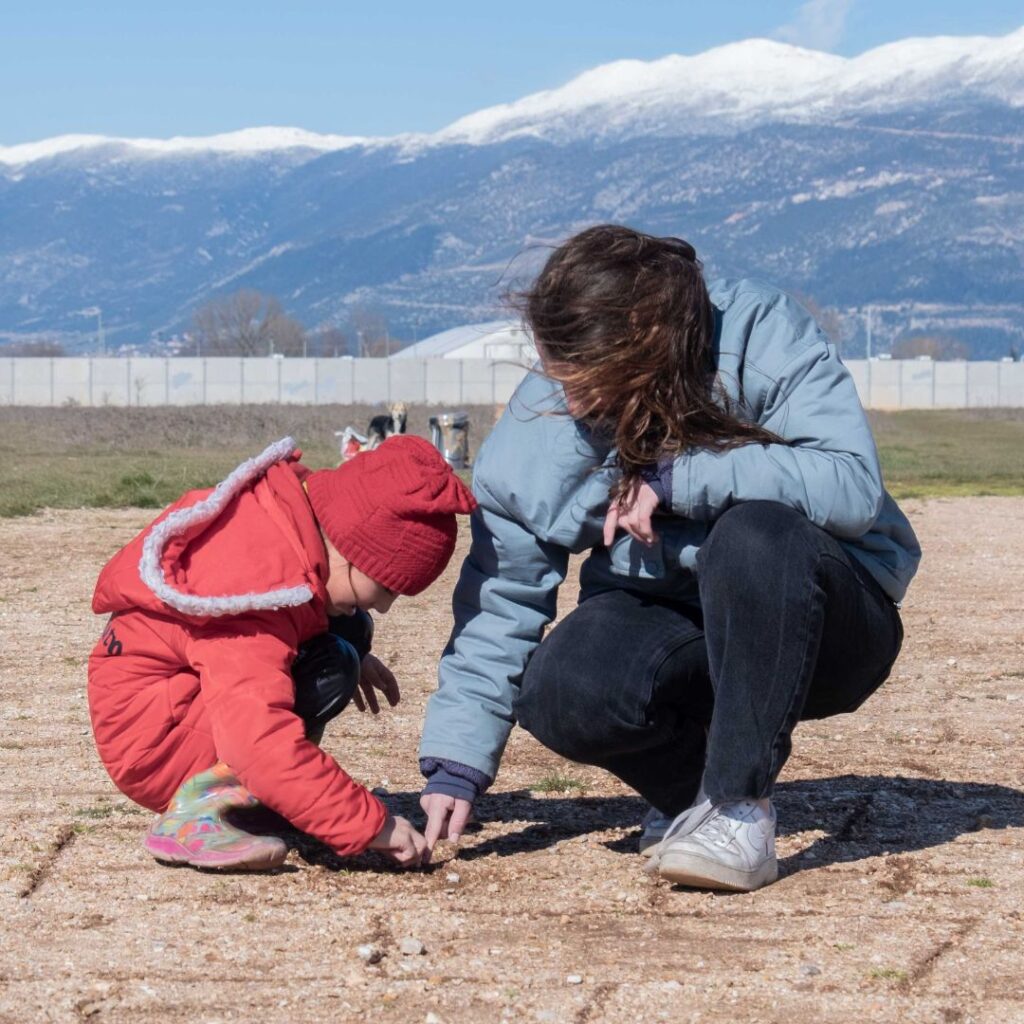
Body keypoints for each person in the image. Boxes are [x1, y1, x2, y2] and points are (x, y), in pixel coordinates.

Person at [418, 224, 921, 892]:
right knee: (563, 685)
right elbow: (503, 595)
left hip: (818, 622)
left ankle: (737, 811)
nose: (571, 402)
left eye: (589, 380)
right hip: (676, 626)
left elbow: (852, 486)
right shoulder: (542, 426)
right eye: (557, 372)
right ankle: (695, 798)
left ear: (649, 346)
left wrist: (683, 477)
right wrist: (456, 760)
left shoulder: (760, 334)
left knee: (753, 534)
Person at [88, 435, 476, 872]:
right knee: (329, 667)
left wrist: (358, 655)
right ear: (350, 548)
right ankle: (194, 812)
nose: (385, 605)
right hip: (157, 745)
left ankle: (266, 798)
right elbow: (258, 739)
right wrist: (371, 824)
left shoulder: (282, 530)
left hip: (167, 707)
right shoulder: (248, 599)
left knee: (347, 635)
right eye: (386, 587)